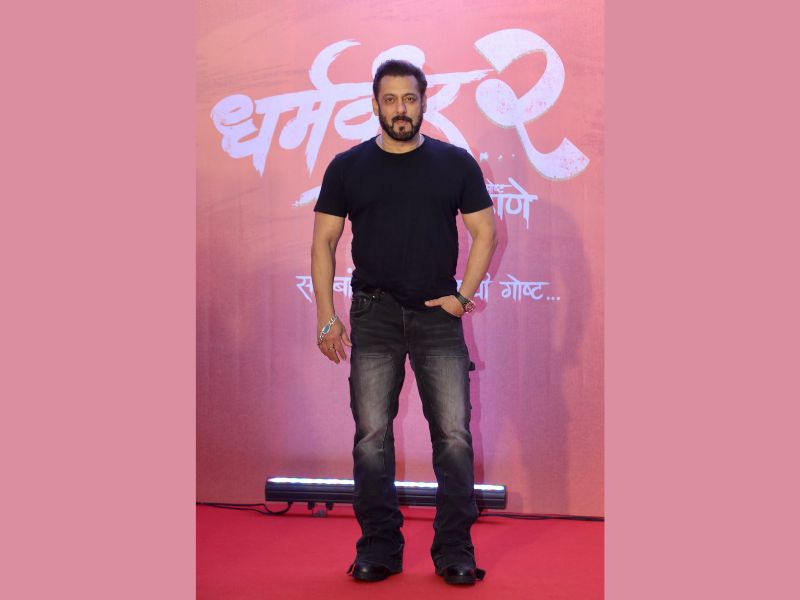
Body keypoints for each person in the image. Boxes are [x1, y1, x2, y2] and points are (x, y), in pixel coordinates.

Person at [310, 59, 497, 586]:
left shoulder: (454, 163)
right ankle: (378, 548)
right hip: (373, 315)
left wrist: (462, 297)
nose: (400, 109)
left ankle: (455, 551)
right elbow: (323, 243)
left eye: (409, 99)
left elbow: (486, 232)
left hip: (438, 318)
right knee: (371, 437)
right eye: (390, 99)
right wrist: (326, 318)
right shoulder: (347, 167)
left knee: (454, 437)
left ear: (423, 103)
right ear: (375, 104)